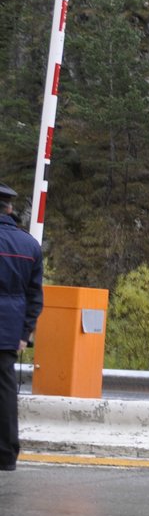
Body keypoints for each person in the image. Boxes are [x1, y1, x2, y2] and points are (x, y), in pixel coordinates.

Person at [0, 183, 43, 473]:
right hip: (9, 332)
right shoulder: (29, 245)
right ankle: (6, 456)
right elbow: (35, 297)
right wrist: (24, 335)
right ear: (10, 209)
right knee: (5, 393)